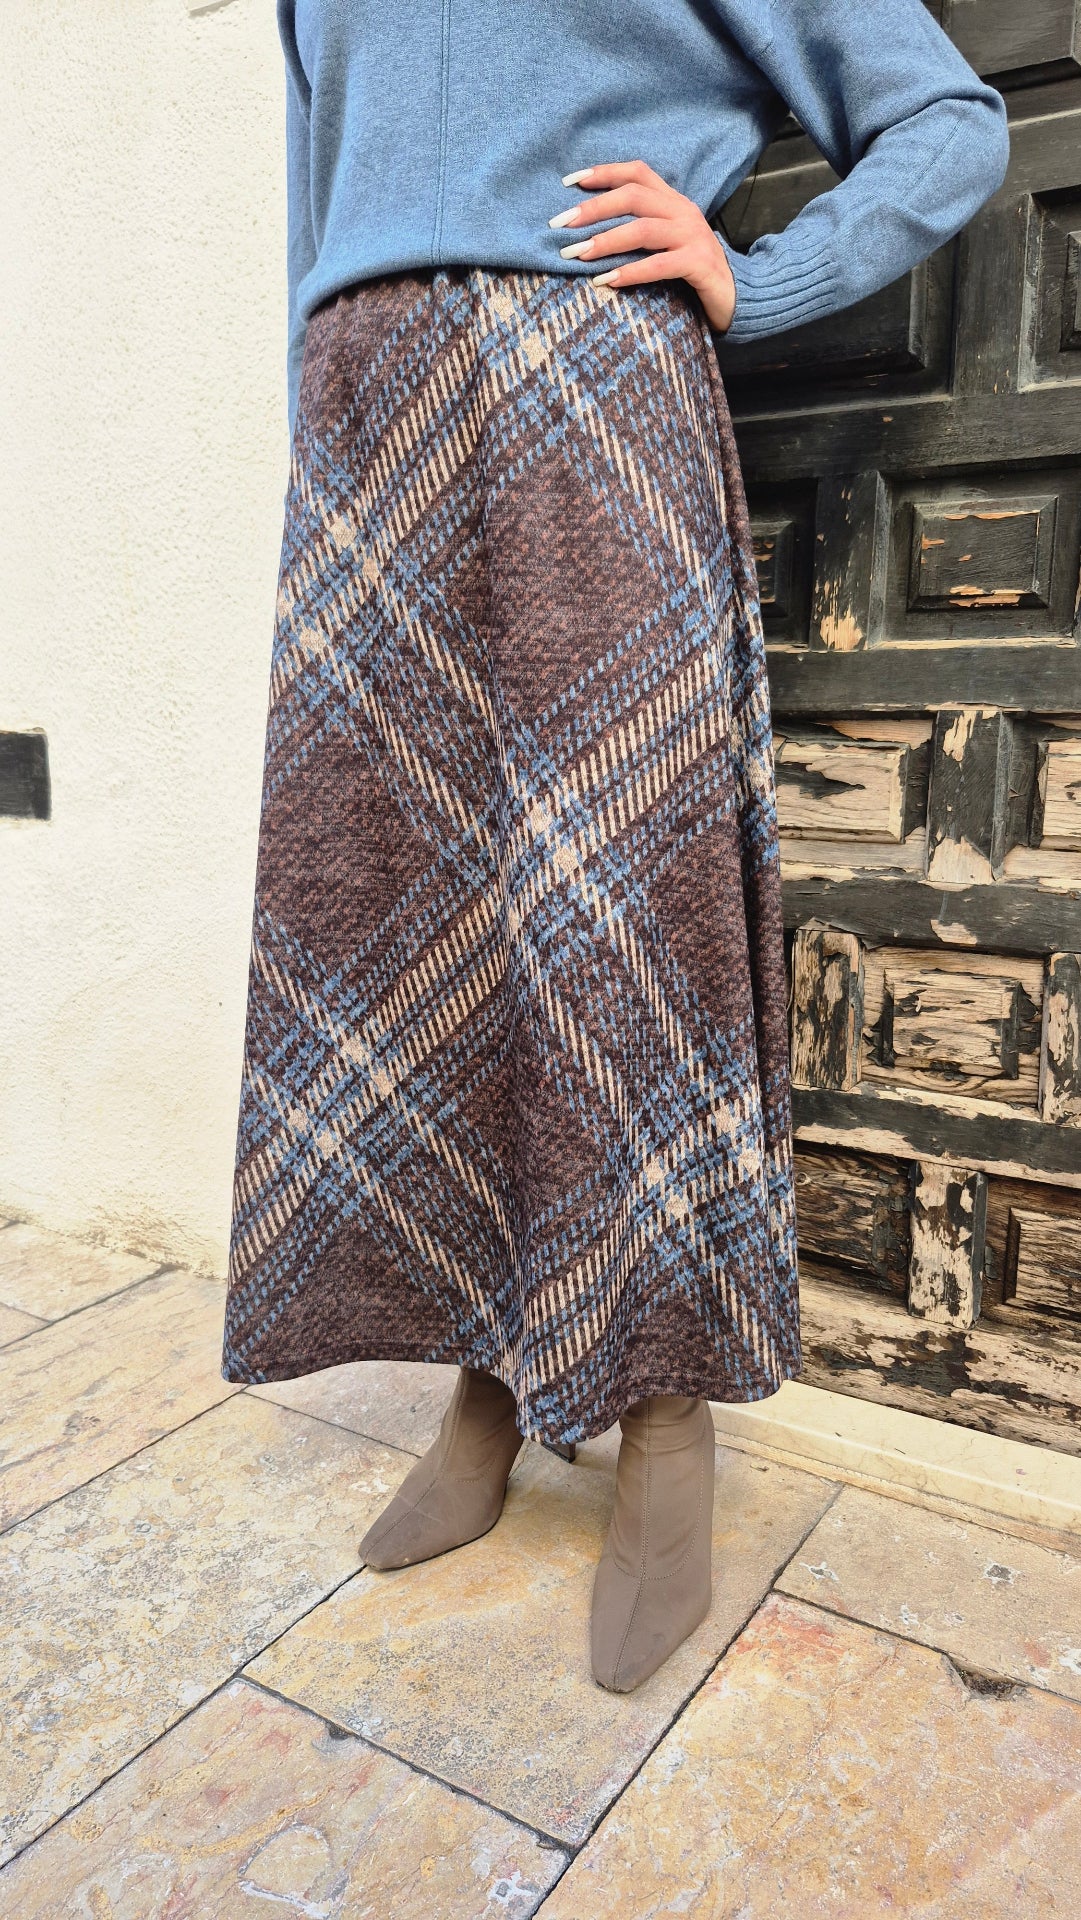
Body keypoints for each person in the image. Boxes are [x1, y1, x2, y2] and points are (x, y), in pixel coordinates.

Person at [221, 0, 1009, 1693]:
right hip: (368, 438)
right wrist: (316, 404)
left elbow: (945, 122)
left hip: (588, 393)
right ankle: (488, 1379)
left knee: (621, 916)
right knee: (399, 922)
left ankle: (660, 1411)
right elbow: (320, 189)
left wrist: (756, 277)